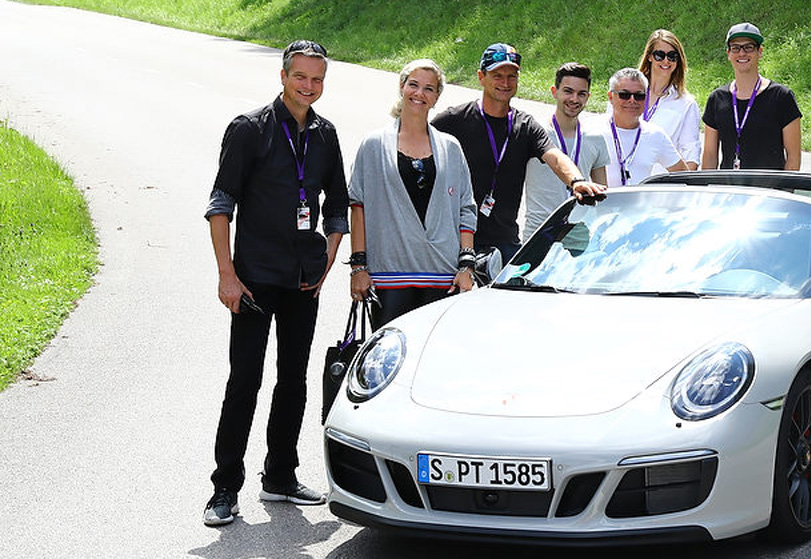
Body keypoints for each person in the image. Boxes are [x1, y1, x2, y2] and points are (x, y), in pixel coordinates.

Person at [202, 40, 346, 526]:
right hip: (253, 280)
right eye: (301, 76)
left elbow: (337, 205)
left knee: (293, 381)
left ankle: (280, 476)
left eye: (317, 79)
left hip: (303, 281)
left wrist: (327, 260)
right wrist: (227, 274)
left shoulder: (326, 135)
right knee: (245, 380)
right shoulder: (249, 130)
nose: (309, 86)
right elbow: (222, 203)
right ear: (283, 76)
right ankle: (224, 488)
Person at [432, 43, 605, 263]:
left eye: (512, 76)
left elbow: (555, 156)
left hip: (505, 243)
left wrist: (577, 181)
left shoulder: (525, 125)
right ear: (481, 77)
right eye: (497, 75)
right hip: (457, 239)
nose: (505, 83)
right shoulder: (452, 120)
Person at [346, 59, 479, 327]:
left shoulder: (450, 147)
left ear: (437, 97)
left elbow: (466, 207)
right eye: (414, 85)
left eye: (429, 89)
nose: (420, 94)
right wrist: (358, 267)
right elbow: (358, 205)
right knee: (390, 360)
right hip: (389, 275)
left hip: (442, 275)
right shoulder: (374, 144)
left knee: (434, 360)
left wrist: (466, 266)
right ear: (402, 87)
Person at [523, 63, 609, 242]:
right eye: (568, 91)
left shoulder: (595, 137)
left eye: (581, 94)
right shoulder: (535, 133)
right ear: (555, 92)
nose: (574, 99)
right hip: (539, 233)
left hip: (580, 234)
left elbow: (603, 191)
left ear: (588, 97)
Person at [702, 22, 802, 170]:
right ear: (728, 54)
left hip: (768, 191)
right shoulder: (717, 99)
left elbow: (793, 158)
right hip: (728, 191)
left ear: (759, 52)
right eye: (735, 48)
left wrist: (784, 191)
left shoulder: (781, 97)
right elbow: (710, 155)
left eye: (749, 47)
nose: (742, 53)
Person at [599, 68, 689, 186]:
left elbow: (684, 176)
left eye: (639, 96)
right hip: (602, 203)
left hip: (640, 203)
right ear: (610, 97)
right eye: (624, 95)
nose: (632, 100)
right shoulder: (593, 130)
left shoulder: (655, 135)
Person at [637, 29, 701, 172]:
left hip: (661, 185)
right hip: (625, 182)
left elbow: (691, 153)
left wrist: (686, 187)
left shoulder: (686, 104)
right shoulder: (628, 94)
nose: (666, 61)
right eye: (660, 55)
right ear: (649, 57)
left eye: (672, 56)